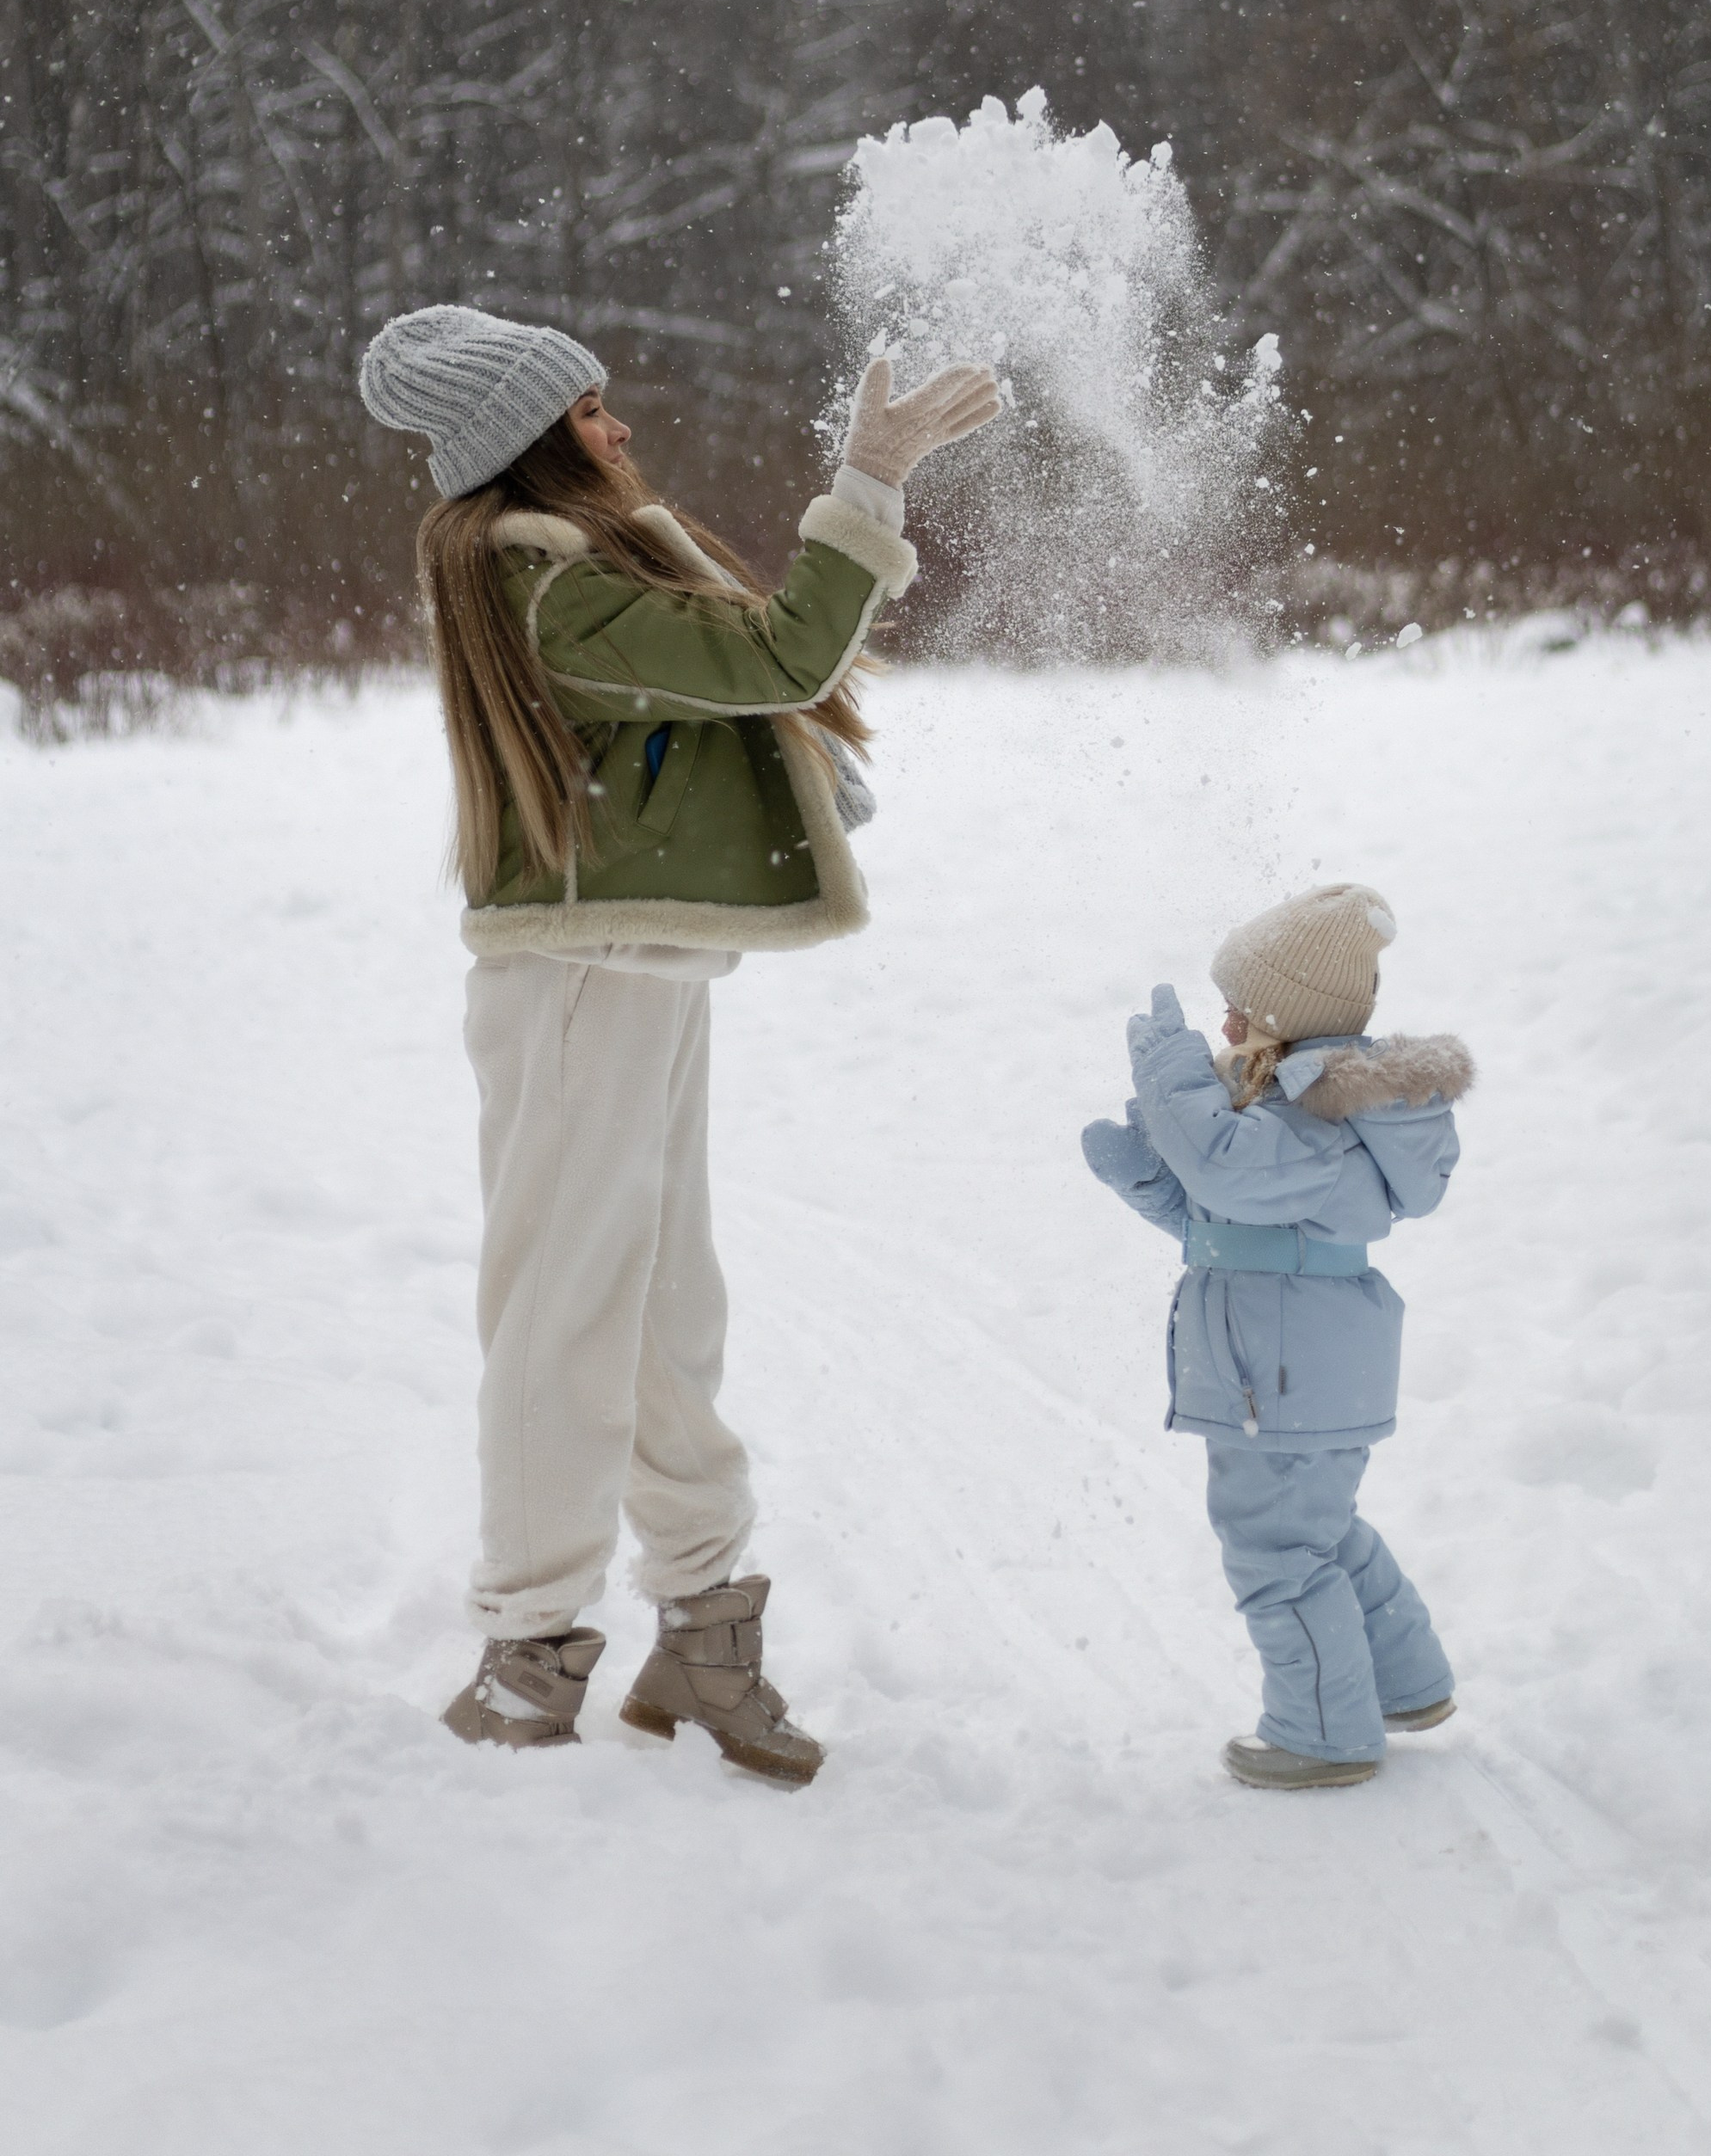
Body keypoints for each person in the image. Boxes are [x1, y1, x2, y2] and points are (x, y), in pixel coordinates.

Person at [358, 301, 998, 1779]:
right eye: (589, 411)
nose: (620, 426)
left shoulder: (585, 567)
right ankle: (530, 1653)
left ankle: (703, 1630)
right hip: (578, 978)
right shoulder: (545, 584)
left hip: (642, 971)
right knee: (562, 1318)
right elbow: (780, 653)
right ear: (535, 443)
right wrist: (869, 482)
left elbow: (767, 667)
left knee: (662, 1314)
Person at [1081, 880, 1473, 1789]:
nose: (1221, 1032)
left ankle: (1323, 1733)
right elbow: (1233, 1222)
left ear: (1282, 1015)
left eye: (1234, 1011)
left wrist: (1164, 1070)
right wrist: (1147, 1181)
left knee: (1275, 1552)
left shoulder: (1315, 1113)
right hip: (1301, 1366)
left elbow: (1228, 1172)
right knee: (1316, 1534)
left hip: (1286, 1376)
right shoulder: (1297, 1114)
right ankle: (1401, 1681)